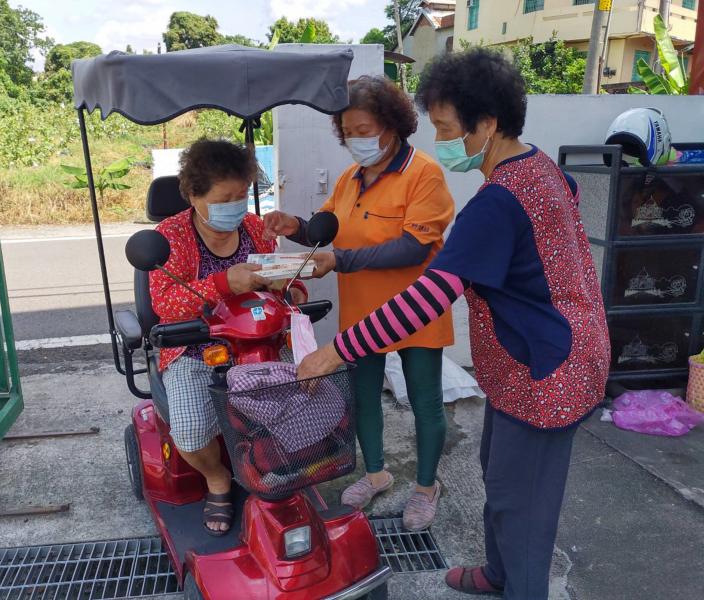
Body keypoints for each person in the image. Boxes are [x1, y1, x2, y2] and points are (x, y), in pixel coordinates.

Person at [298, 49, 610, 600]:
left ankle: (521, 587)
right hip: (528, 360)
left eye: (445, 128)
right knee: (497, 472)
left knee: (523, 506)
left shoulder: (497, 203)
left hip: (548, 368)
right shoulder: (541, 168)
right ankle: (498, 574)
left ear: (486, 124)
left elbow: (428, 296)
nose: (440, 140)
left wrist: (335, 351)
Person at [264, 75, 455, 531]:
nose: (355, 140)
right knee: (364, 398)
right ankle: (376, 474)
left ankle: (426, 487)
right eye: (348, 131)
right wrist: (295, 226)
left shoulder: (424, 174)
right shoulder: (350, 179)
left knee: (425, 402)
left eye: (364, 129)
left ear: (392, 125)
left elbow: (413, 248)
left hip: (415, 311)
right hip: (363, 314)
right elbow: (328, 227)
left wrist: (340, 259)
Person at [149, 139, 306, 536]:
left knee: (302, 404)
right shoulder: (171, 235)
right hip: (194, 349)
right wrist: (222, 283)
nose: (235, 206)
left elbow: (280, 282)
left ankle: (271, 465)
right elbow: (165, 303)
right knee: (189, 432)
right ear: (194, 195)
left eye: (241, 196)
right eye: (224, 199)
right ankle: (217, 477)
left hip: (259, 343)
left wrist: (290, 288)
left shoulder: (254, 228)